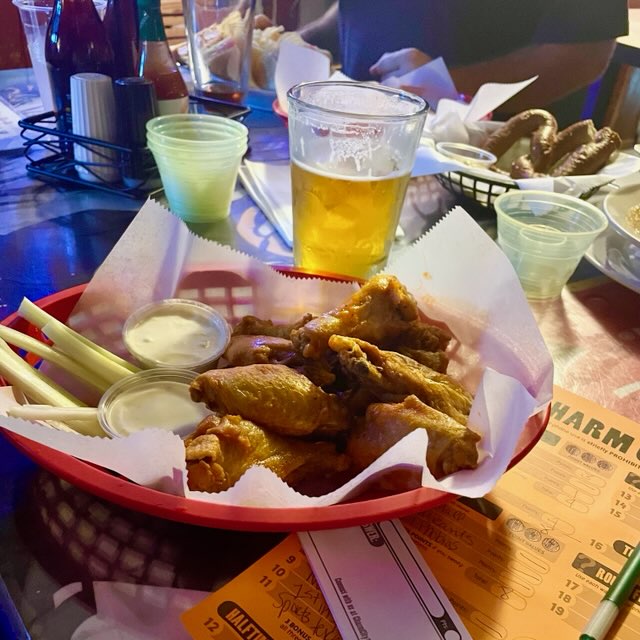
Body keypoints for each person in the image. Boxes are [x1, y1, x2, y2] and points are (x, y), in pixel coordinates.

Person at [298, 0, 628, 124]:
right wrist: (296, 41)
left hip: (483, 177)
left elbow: (587, 52)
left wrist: (451, 84)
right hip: (349, 135)